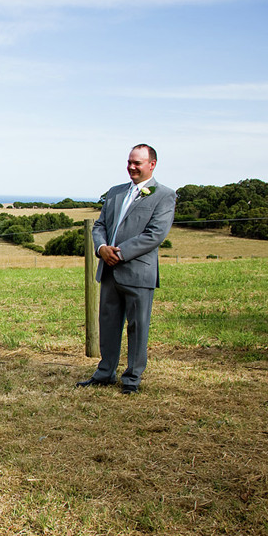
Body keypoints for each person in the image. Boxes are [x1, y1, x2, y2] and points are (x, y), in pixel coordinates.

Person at [77, 144, 176, 394]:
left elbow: (155, 234)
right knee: (108, 324)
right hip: (109, 271)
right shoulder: (115, 192)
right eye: (129, 162)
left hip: (138, 273)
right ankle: (104, 373)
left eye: (137, 163)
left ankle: (132, 379)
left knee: (137, 327)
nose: (131, 167)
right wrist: (102, 249)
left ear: (152, 165)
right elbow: (99, 225)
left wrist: (119, 253)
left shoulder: (164, 195)